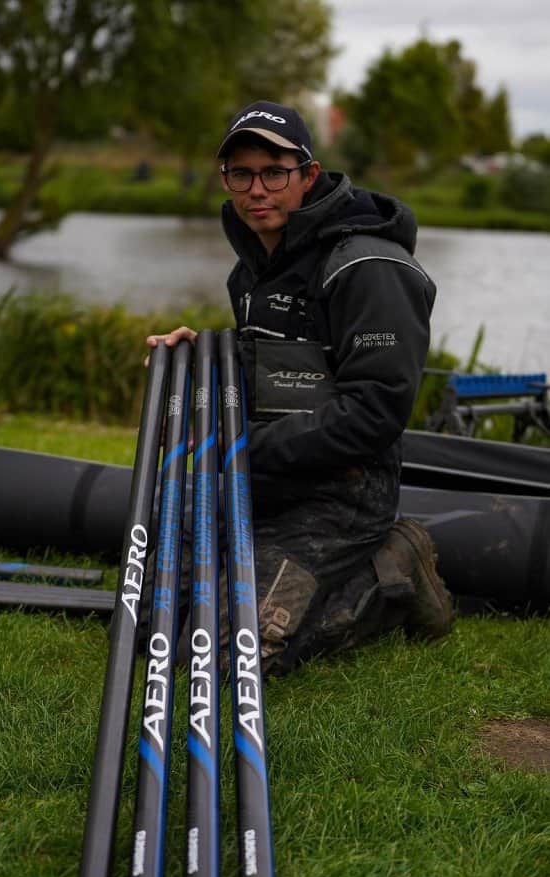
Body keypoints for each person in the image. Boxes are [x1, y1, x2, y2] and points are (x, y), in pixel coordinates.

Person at [147, 100, 453, 675]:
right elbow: (282, 369)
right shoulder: (252, 270)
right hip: (258, 479)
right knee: (148, 615)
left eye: (273, 172)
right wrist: (206, 356)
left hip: (342, 492)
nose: (256, 189)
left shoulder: (368, 266)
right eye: (241, 173)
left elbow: (374, 413)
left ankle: (390, 572)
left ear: (308, 175)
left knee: (224, 651)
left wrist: (237, 450)